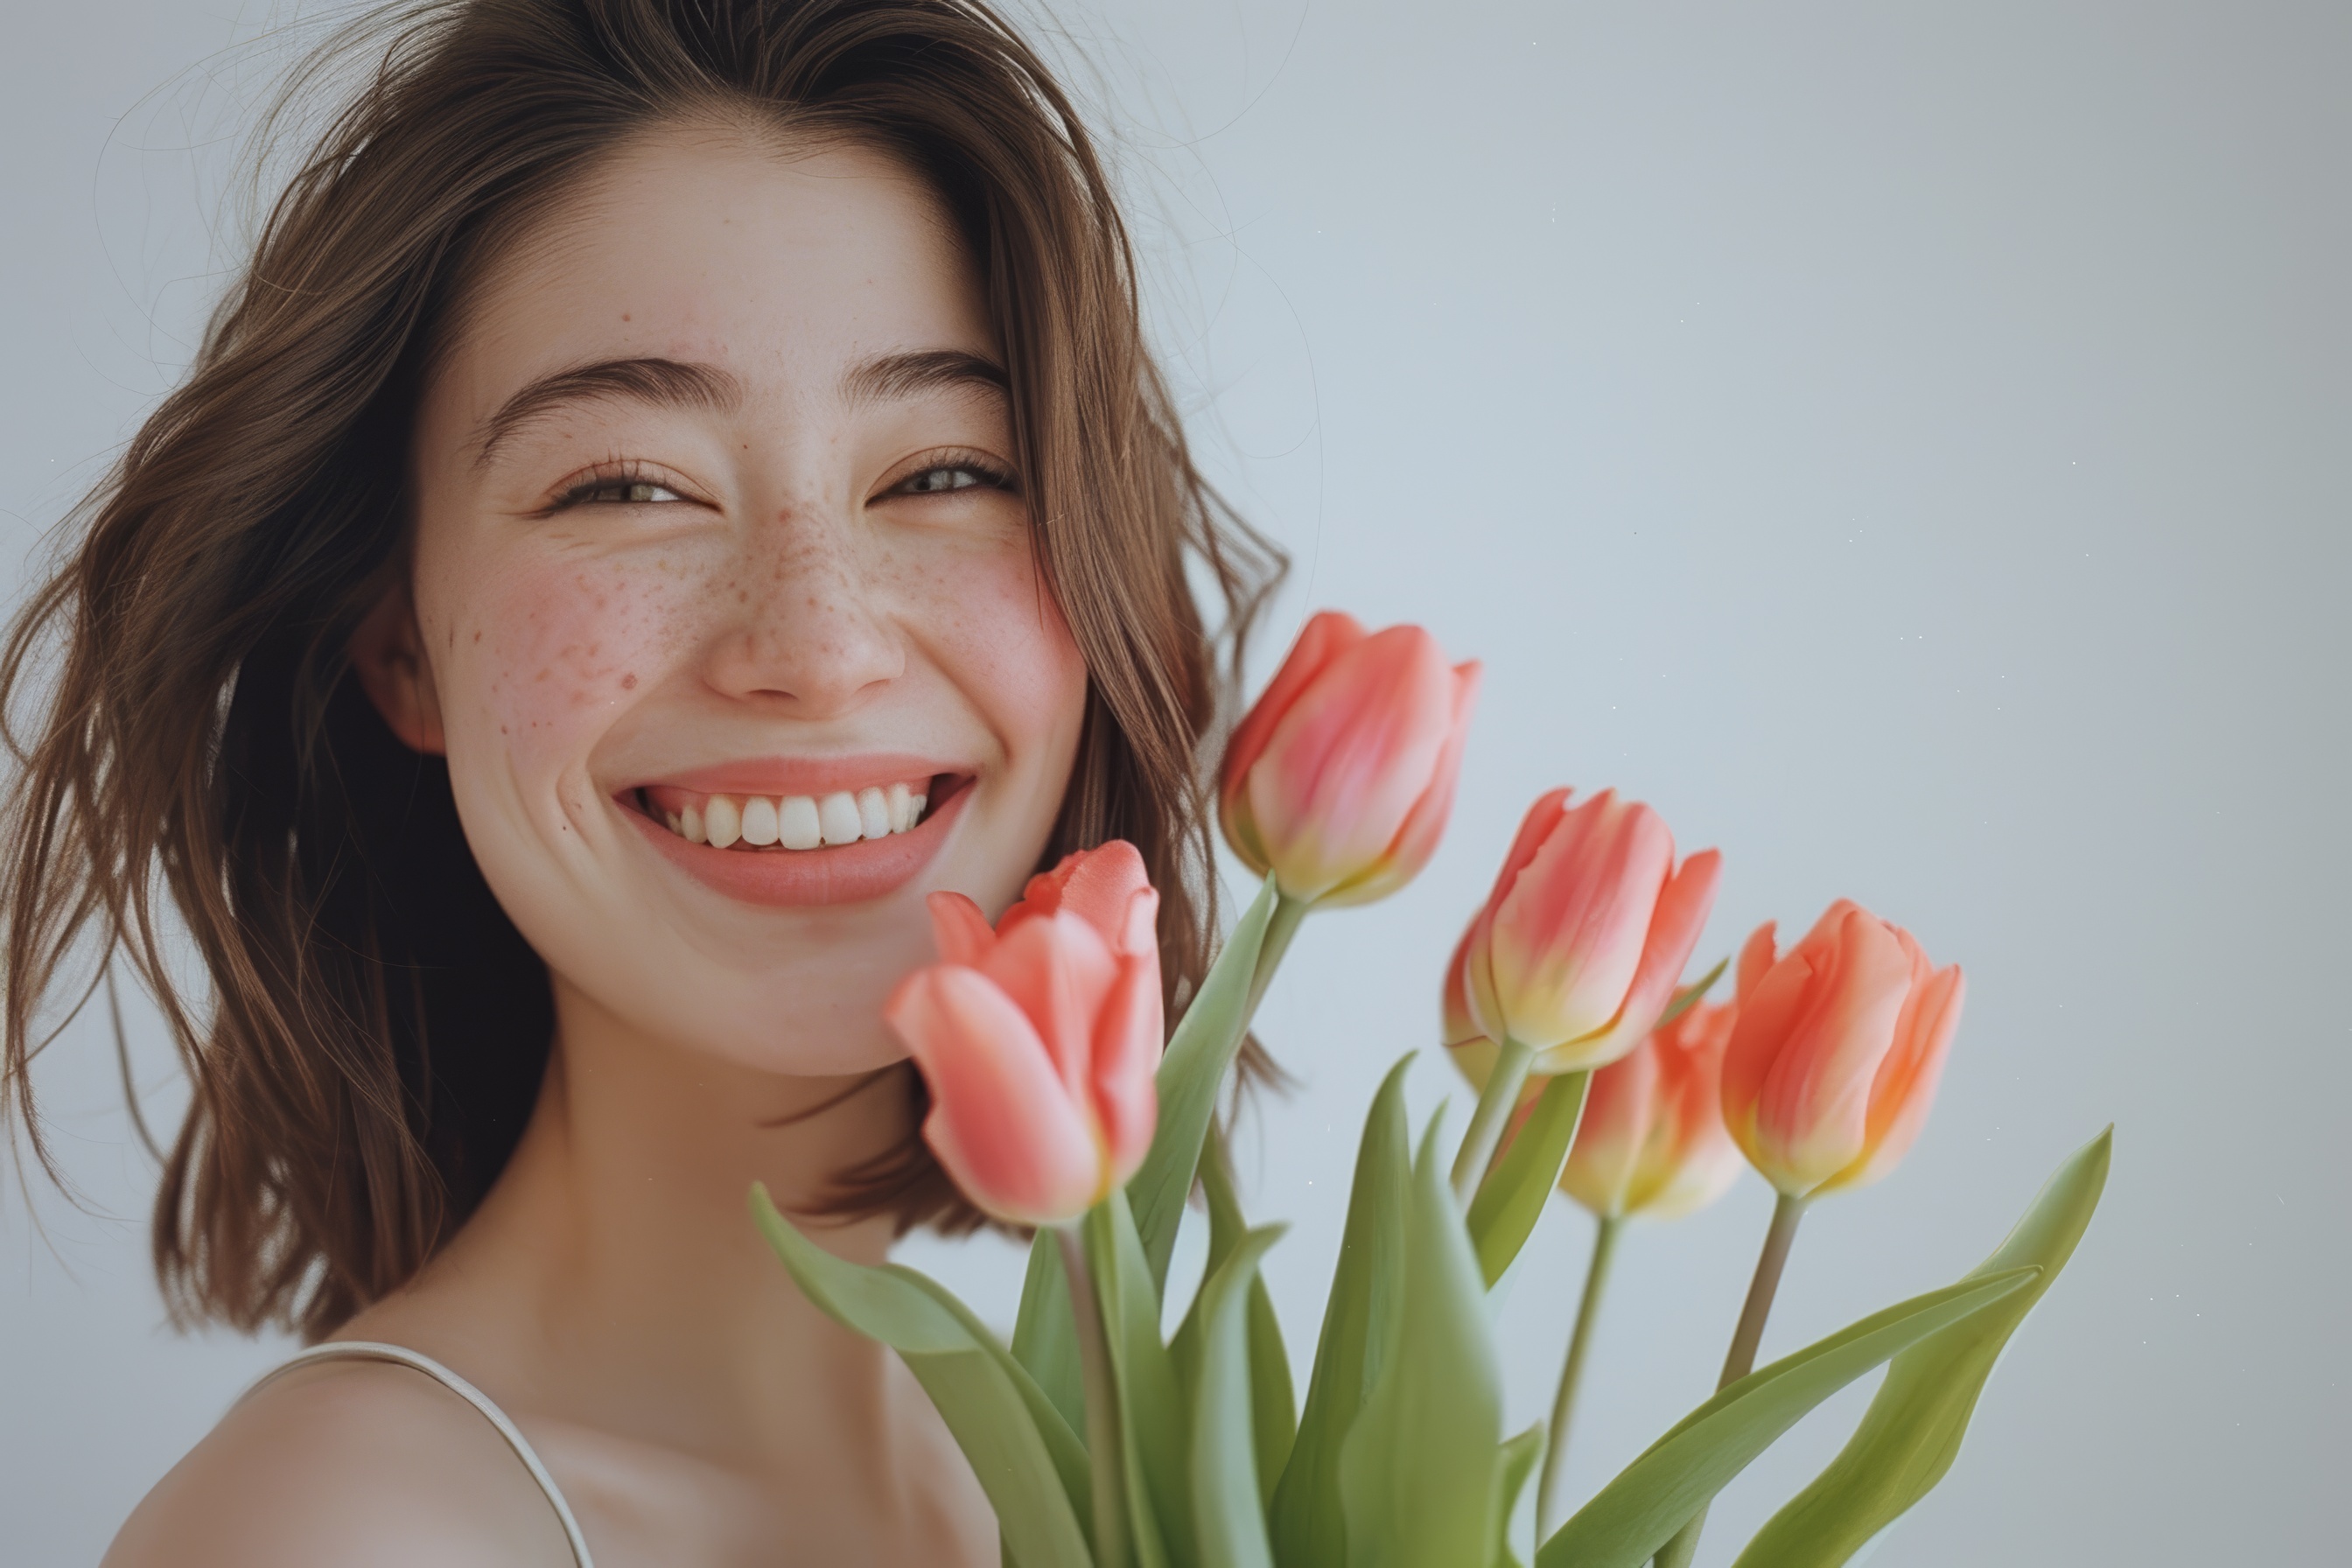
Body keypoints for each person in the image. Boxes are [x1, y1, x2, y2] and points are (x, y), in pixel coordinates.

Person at [0, 2, 1279, 1561]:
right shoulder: (343, 1537)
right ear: (400, 646)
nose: (813, 646)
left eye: (945, 471)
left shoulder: (1073, 1482)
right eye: (626, 486)